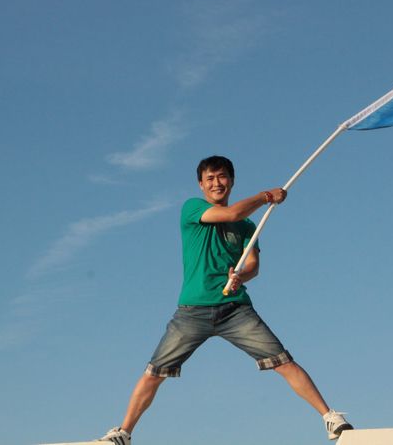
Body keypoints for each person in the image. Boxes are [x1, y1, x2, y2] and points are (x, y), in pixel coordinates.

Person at [98, 156, 352, 444]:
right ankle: (124, 432)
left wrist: (241, 277)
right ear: (201, 184)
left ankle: (329, 417)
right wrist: (266, 196)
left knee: (283, 361)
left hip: (235, 311)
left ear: (231, 181)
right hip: (192, 311)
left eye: (222, 177)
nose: (216, 183)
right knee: (155, 372)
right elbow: (230, 214)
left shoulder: (248, 226)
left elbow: (253, 265)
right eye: (210, 178)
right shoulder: (192, 208)